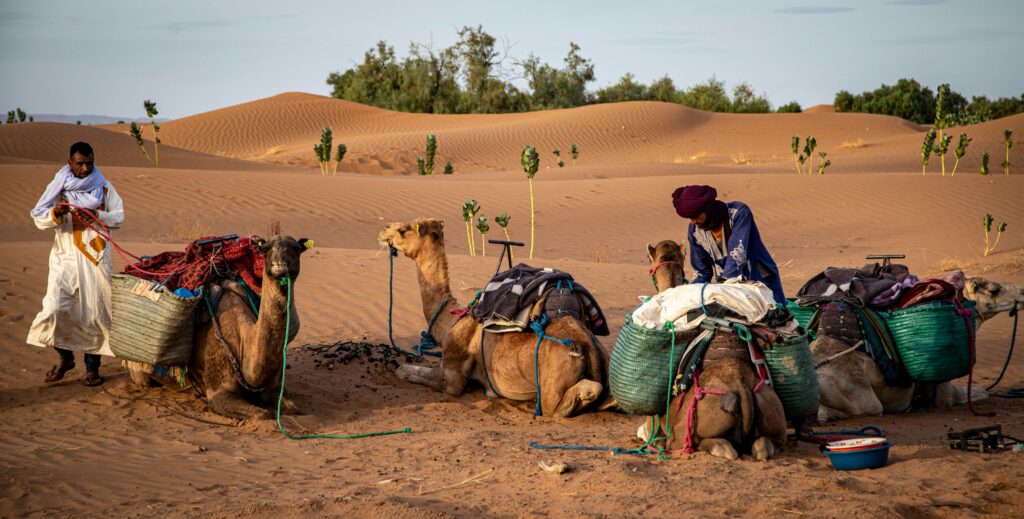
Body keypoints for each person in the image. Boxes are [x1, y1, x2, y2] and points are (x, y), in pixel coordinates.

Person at [27, 142, 124, 386]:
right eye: (80, 163)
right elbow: (39, 217)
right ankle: (65, 358)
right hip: (65, 259)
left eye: (89, 163)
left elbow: (119, 216)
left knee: (94, 313)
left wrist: (97, 215)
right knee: (54, 309)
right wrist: (56, 214)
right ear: (70, 162)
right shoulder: (59, 188)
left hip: (95, 259)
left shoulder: (104, 187)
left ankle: (92, 368)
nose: (85, 168)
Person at [671, 184, 786, 305]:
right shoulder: (694, 230)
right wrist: (691, 293)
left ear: (708, 209)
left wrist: (724, 288)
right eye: (690, 218)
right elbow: (702, 270)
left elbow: (737, 254)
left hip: (759, 282)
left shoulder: (739, 213)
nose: (693, 221)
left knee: (773, 312)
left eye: (696, 216)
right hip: (726, 290)